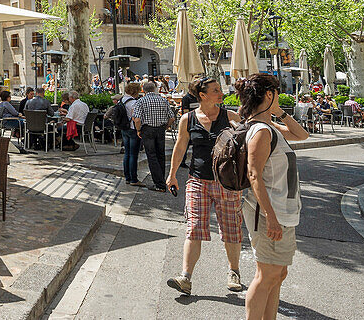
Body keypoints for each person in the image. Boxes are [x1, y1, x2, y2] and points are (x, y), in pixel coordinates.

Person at [164, 76, 244, 296]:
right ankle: (185, 277)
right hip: (197, 180)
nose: (221, 93)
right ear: (202, 95)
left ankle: (234, 271)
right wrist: (172, 175)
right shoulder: (187, 119)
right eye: (216, 90)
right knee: (194, 227)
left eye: (220, 89)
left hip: (227, 182)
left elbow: (248, 138)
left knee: (231, 229)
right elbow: (180, 148)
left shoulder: (229, 116)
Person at [238, 74, 308, 320]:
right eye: (276, 93)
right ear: (269, 94)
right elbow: (254, 175)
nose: (279, 96)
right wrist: (271, 216)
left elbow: (302, 135)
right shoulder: (261, 131)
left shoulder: (268, 126)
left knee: (277, 275)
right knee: (266, 275)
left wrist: (279, 111)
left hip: (281, 210)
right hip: (269, 212)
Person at [132, 78, 174, 192]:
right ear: (155, 89)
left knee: (151, 155)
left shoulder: (141, 101)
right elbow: (172, 117)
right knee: (160, 154)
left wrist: (138, 130)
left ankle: (159, 183)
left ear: (143, 90)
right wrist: (166, 126)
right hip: (160, 129)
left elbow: (137, 119)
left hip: (148, 129)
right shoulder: (162, 100)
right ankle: (161, 180)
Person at [117, 81, 142, 186]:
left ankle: (127, 177)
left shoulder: (122, 100)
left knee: (127, 153)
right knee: (133, 154)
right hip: (132, 129)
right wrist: (139, 130)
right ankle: (133, 179)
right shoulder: (134, 103)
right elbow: (136, 118)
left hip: (124, 128)